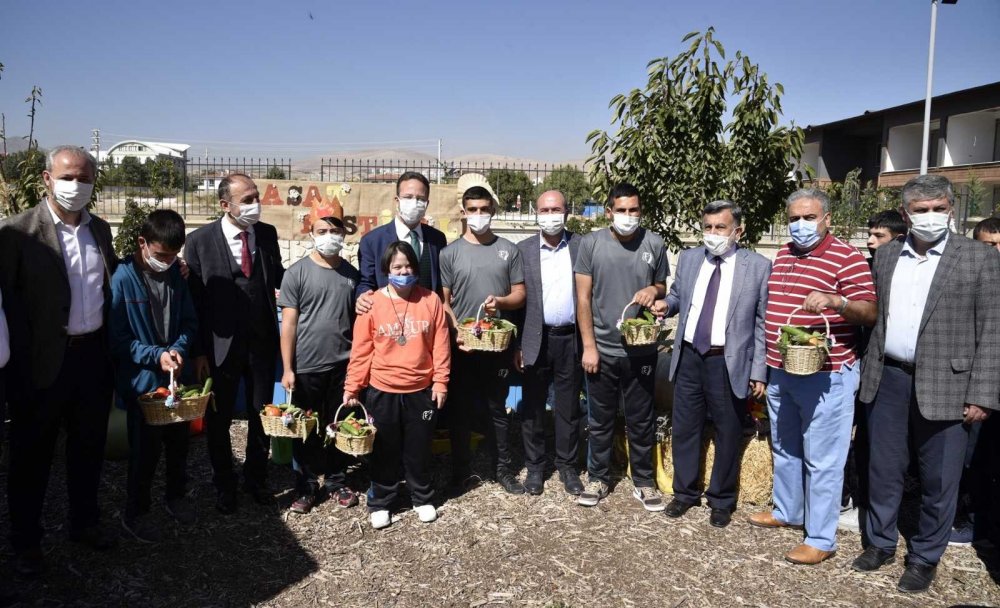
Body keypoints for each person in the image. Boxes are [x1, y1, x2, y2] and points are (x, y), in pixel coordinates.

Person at [851, 175, 1000, 593]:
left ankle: (923, 556)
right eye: (921, 210)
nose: (930, 216)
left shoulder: (978, 258)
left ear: (951, 209)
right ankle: (879, 543)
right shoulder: (887, 256)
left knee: (939, 478)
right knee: (883, 469)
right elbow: (875, 319)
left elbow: (993, 330)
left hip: (950, 385)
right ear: (905, 214)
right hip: (889, 378)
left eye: (938, 208)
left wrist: (983, 394)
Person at [0, 146, 118, 576]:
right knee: (31, 456)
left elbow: (113, 283)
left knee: (87, 450)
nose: (76, 185)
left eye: (85, 178)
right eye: (68, 177)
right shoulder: (17, 233)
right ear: (47, 179)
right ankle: (26, 542)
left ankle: (84, 523)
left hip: (91, 360)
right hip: (40, 365)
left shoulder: (100, 231)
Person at [748, 188, 877, 566]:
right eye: (794, 218)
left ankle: (821, 537)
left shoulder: (847, 257)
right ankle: (789, 510)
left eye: (809, 217)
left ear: (827, 219)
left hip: (827, 374)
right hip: (782, 369)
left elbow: (869, 312)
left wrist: (837, 302)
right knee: (785, 446)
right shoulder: (784, 253)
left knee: (823, 458)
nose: (800, 225)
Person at [655, 200, 770, 528]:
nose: (713, 234)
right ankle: (685, 493)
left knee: (728, 429)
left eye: (720, 227)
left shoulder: (758, 266)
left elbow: (762, 323)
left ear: (738, 230)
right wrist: (666, 305)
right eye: (708, 227)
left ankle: (721, 499)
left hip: (727, 361)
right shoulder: (690, 259)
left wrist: (759, 370)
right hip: (690, 355)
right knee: (686, 427)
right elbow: (678, 295)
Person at [185, 173, 284, 514]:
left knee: (261, 414)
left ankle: (256, 479)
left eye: (257, 197)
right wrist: (198, 351)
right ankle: (224, 482)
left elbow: (279, 279)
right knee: (219, 419)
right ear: (225, 205)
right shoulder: (199, 241)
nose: (256, 204)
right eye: (248, 199)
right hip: (219, 347)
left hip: (261, 343)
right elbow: (194, 302)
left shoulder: (267, 234)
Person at [574, 183, 669, 511]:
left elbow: (661, 285)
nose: (629, 217)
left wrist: (653, 292)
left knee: (641, 418)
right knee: (600, 418)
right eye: (622, 210)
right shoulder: (590, 244)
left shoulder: (654, 243)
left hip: (640, 348)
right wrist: (589, 346)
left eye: (635, 211)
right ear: (609, 211)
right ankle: (598, 478)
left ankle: (644, 481)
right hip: (602, 349)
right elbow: (583, 297)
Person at [344, 241, 451, 530]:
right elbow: (362, 350)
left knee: (418, 448)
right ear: (386, 270)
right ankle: (381, 501)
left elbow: (440, 347)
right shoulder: (372, 304)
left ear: (416, 268)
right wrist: (353, 387)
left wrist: (440, 382)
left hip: (420, 390)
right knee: (384, 449)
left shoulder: (430, 301)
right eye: (397, 267)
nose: (404, 271)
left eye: (408, 266)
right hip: (382, 389)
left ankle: (422, 497)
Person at [109, 210, 199, 542]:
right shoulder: (122, 278)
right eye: (162, 255)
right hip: (144, 384)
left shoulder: (177, 274)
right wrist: (154, 356)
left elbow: (189, 323)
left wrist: (178, 348)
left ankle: (175, 496)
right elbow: (117, 339)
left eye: (175, 255)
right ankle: (137, 511)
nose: (168, 261)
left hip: (176, 378)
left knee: (179, 445)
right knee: (144, 451)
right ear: (142, 243)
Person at [440, 185, 526, 495]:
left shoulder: (508, 250)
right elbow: (445, 302)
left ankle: (502, 469)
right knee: (460, 411)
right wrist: (455, 334)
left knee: (497, 410)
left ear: (493, 211)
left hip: (497, 346)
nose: (479, 215)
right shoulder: (449, 253)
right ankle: (460, 471)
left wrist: (501, 303)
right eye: (472, 210)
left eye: (484, 209)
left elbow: (520, 294)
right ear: (463, 212)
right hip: (463, 348)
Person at [278, 215, 360, 514]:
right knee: (306, 430)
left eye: (335, 231)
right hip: (307, 367)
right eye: (322, 231)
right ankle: (306, 485)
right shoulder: (297, 273)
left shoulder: (352, 275)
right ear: (311, 233)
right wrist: (288, 368)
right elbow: (288, 324)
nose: (329, 236)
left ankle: (337, 481)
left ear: (344, 234)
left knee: (339, 425)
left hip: (342, 366)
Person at [514, 190, 585, 496]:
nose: (550, 214)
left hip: (571, 338)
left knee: (568, 407)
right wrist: (515, 345)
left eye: (556, 209)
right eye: (545, 209)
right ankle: (535, 468)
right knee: (532, 407)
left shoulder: (582, 246)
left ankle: (568, 467)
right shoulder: (524, 250)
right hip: (535, 338)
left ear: (567, 212)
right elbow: (515, 302)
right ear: (536, 213)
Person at [355, 171, 448, 313]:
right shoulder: (373, 240)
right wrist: (362, 296)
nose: (414, 203)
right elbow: (366, 281)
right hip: (388, 320)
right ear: (397, 201)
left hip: (427, 320)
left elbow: (441, 283)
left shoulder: (437, 239)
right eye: (408, 197)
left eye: (420, 198)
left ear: (427, 203)